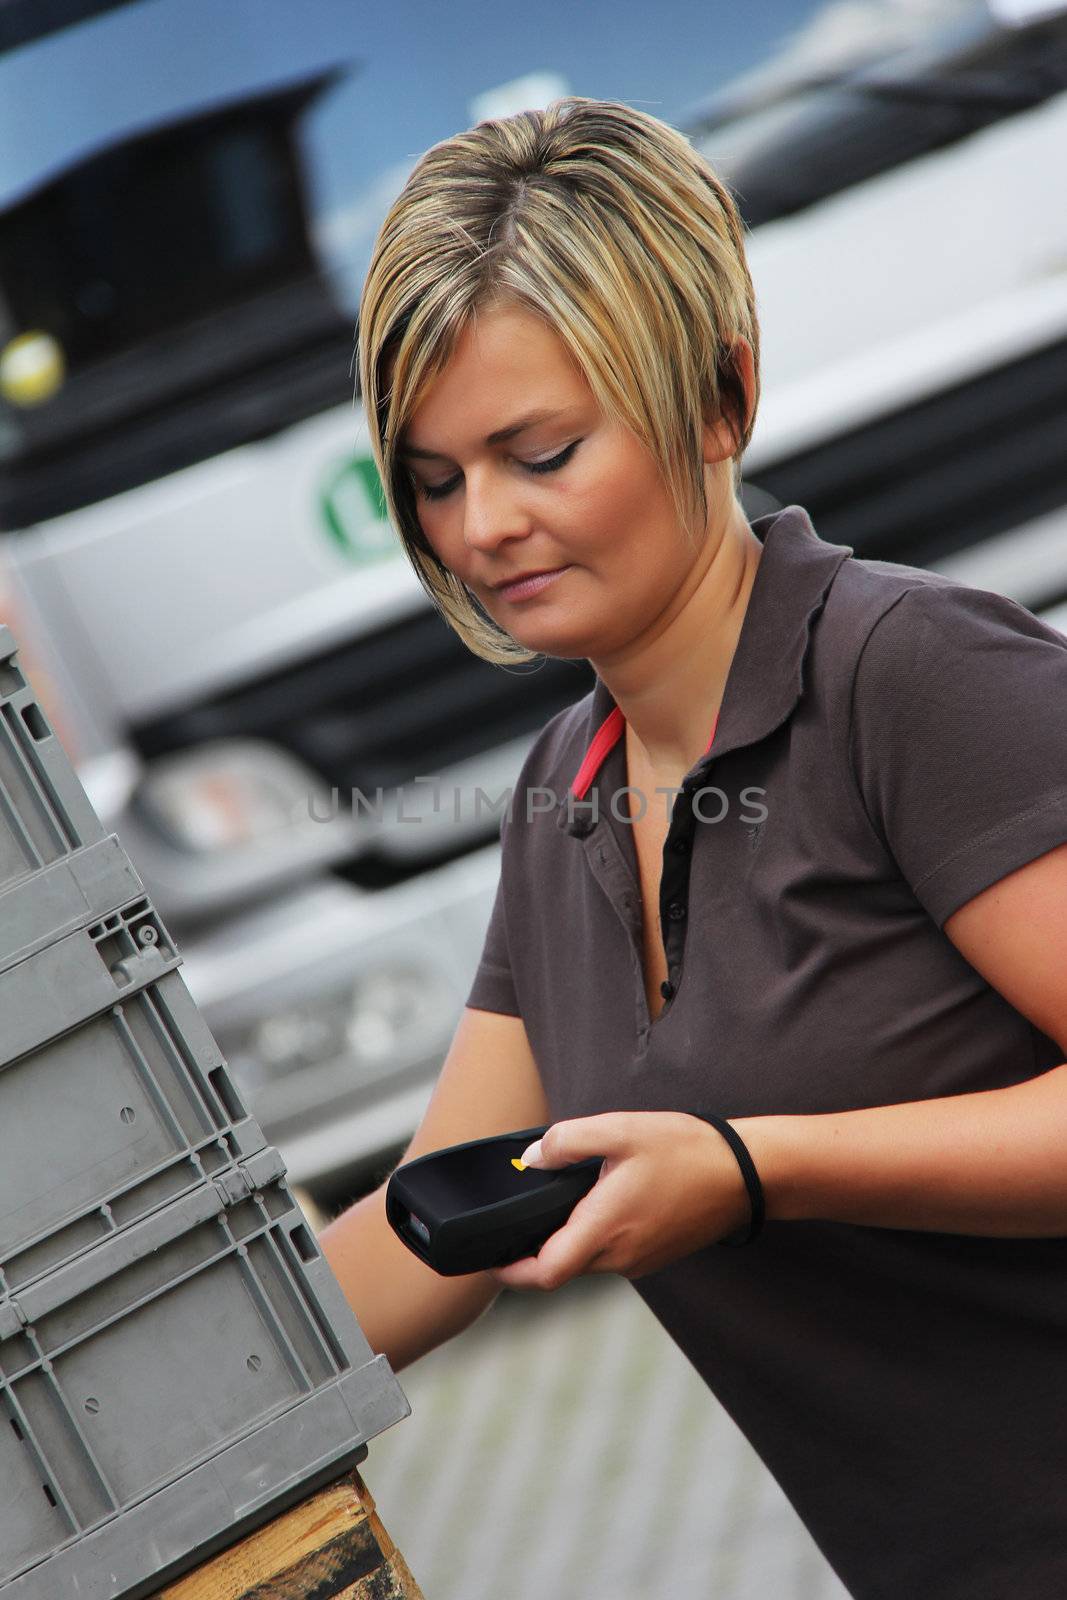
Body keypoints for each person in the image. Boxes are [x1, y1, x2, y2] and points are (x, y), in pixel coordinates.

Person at [319, 97, 1067, 1599]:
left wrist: (753, 1168)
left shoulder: (913, 677)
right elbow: (425, 1232)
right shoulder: (560, 796)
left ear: (721, 397)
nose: (484, 529)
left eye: (539, 452)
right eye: (438, 477)